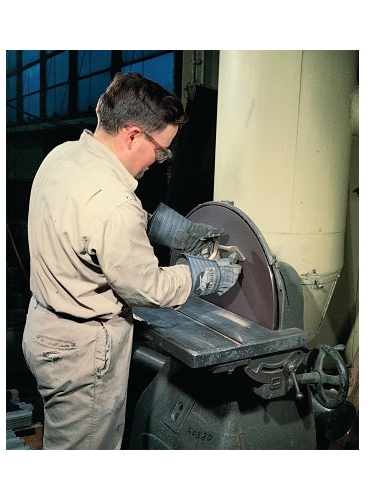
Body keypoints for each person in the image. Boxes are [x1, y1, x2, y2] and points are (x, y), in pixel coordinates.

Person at [22, 71, 242, 450]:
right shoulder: (114, 203)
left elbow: (93, 228)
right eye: (161, 150)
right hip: (83, 353)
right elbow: (149, 288)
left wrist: (183, 234)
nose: (159, 160)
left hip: (45, 330)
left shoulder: (64, 156)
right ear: (133, 135)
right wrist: (205, 274)